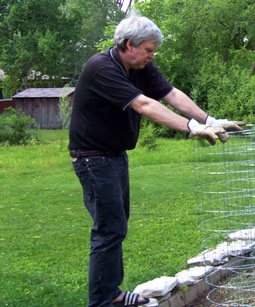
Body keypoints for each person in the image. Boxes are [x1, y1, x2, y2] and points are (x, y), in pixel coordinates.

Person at [68, 15, 243, 307]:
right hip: (92, 159)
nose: (153, 55)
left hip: (112, 156)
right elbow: (145, 104)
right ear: (128, 45)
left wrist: (210, 120)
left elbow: (171, 94)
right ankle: (103, 300)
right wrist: (192, 128)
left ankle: (111, 294)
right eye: (149, 49)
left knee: (116, 226)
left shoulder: (140, 67)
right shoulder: (101, 68)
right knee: (108, 229)